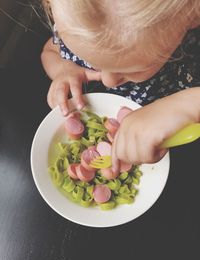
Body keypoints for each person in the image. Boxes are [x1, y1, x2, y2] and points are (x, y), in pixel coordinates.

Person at [41, 0, 200, 169]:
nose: (108, 81)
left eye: (134, 70)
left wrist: (189, 104)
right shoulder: (77, 26)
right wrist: (64, 69)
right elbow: (50, 51)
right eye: (92, 62)